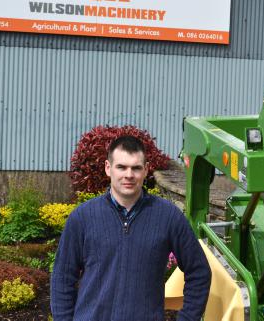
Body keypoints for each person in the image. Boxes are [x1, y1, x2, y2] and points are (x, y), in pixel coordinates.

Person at [51, 135, 211, 321]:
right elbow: (62, 278)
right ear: (108, 168)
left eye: (136, 168)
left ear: (146, 170)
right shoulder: (82, 217)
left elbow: (199, 272)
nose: (129, 175)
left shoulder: (168, 216)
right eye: (121, 167)